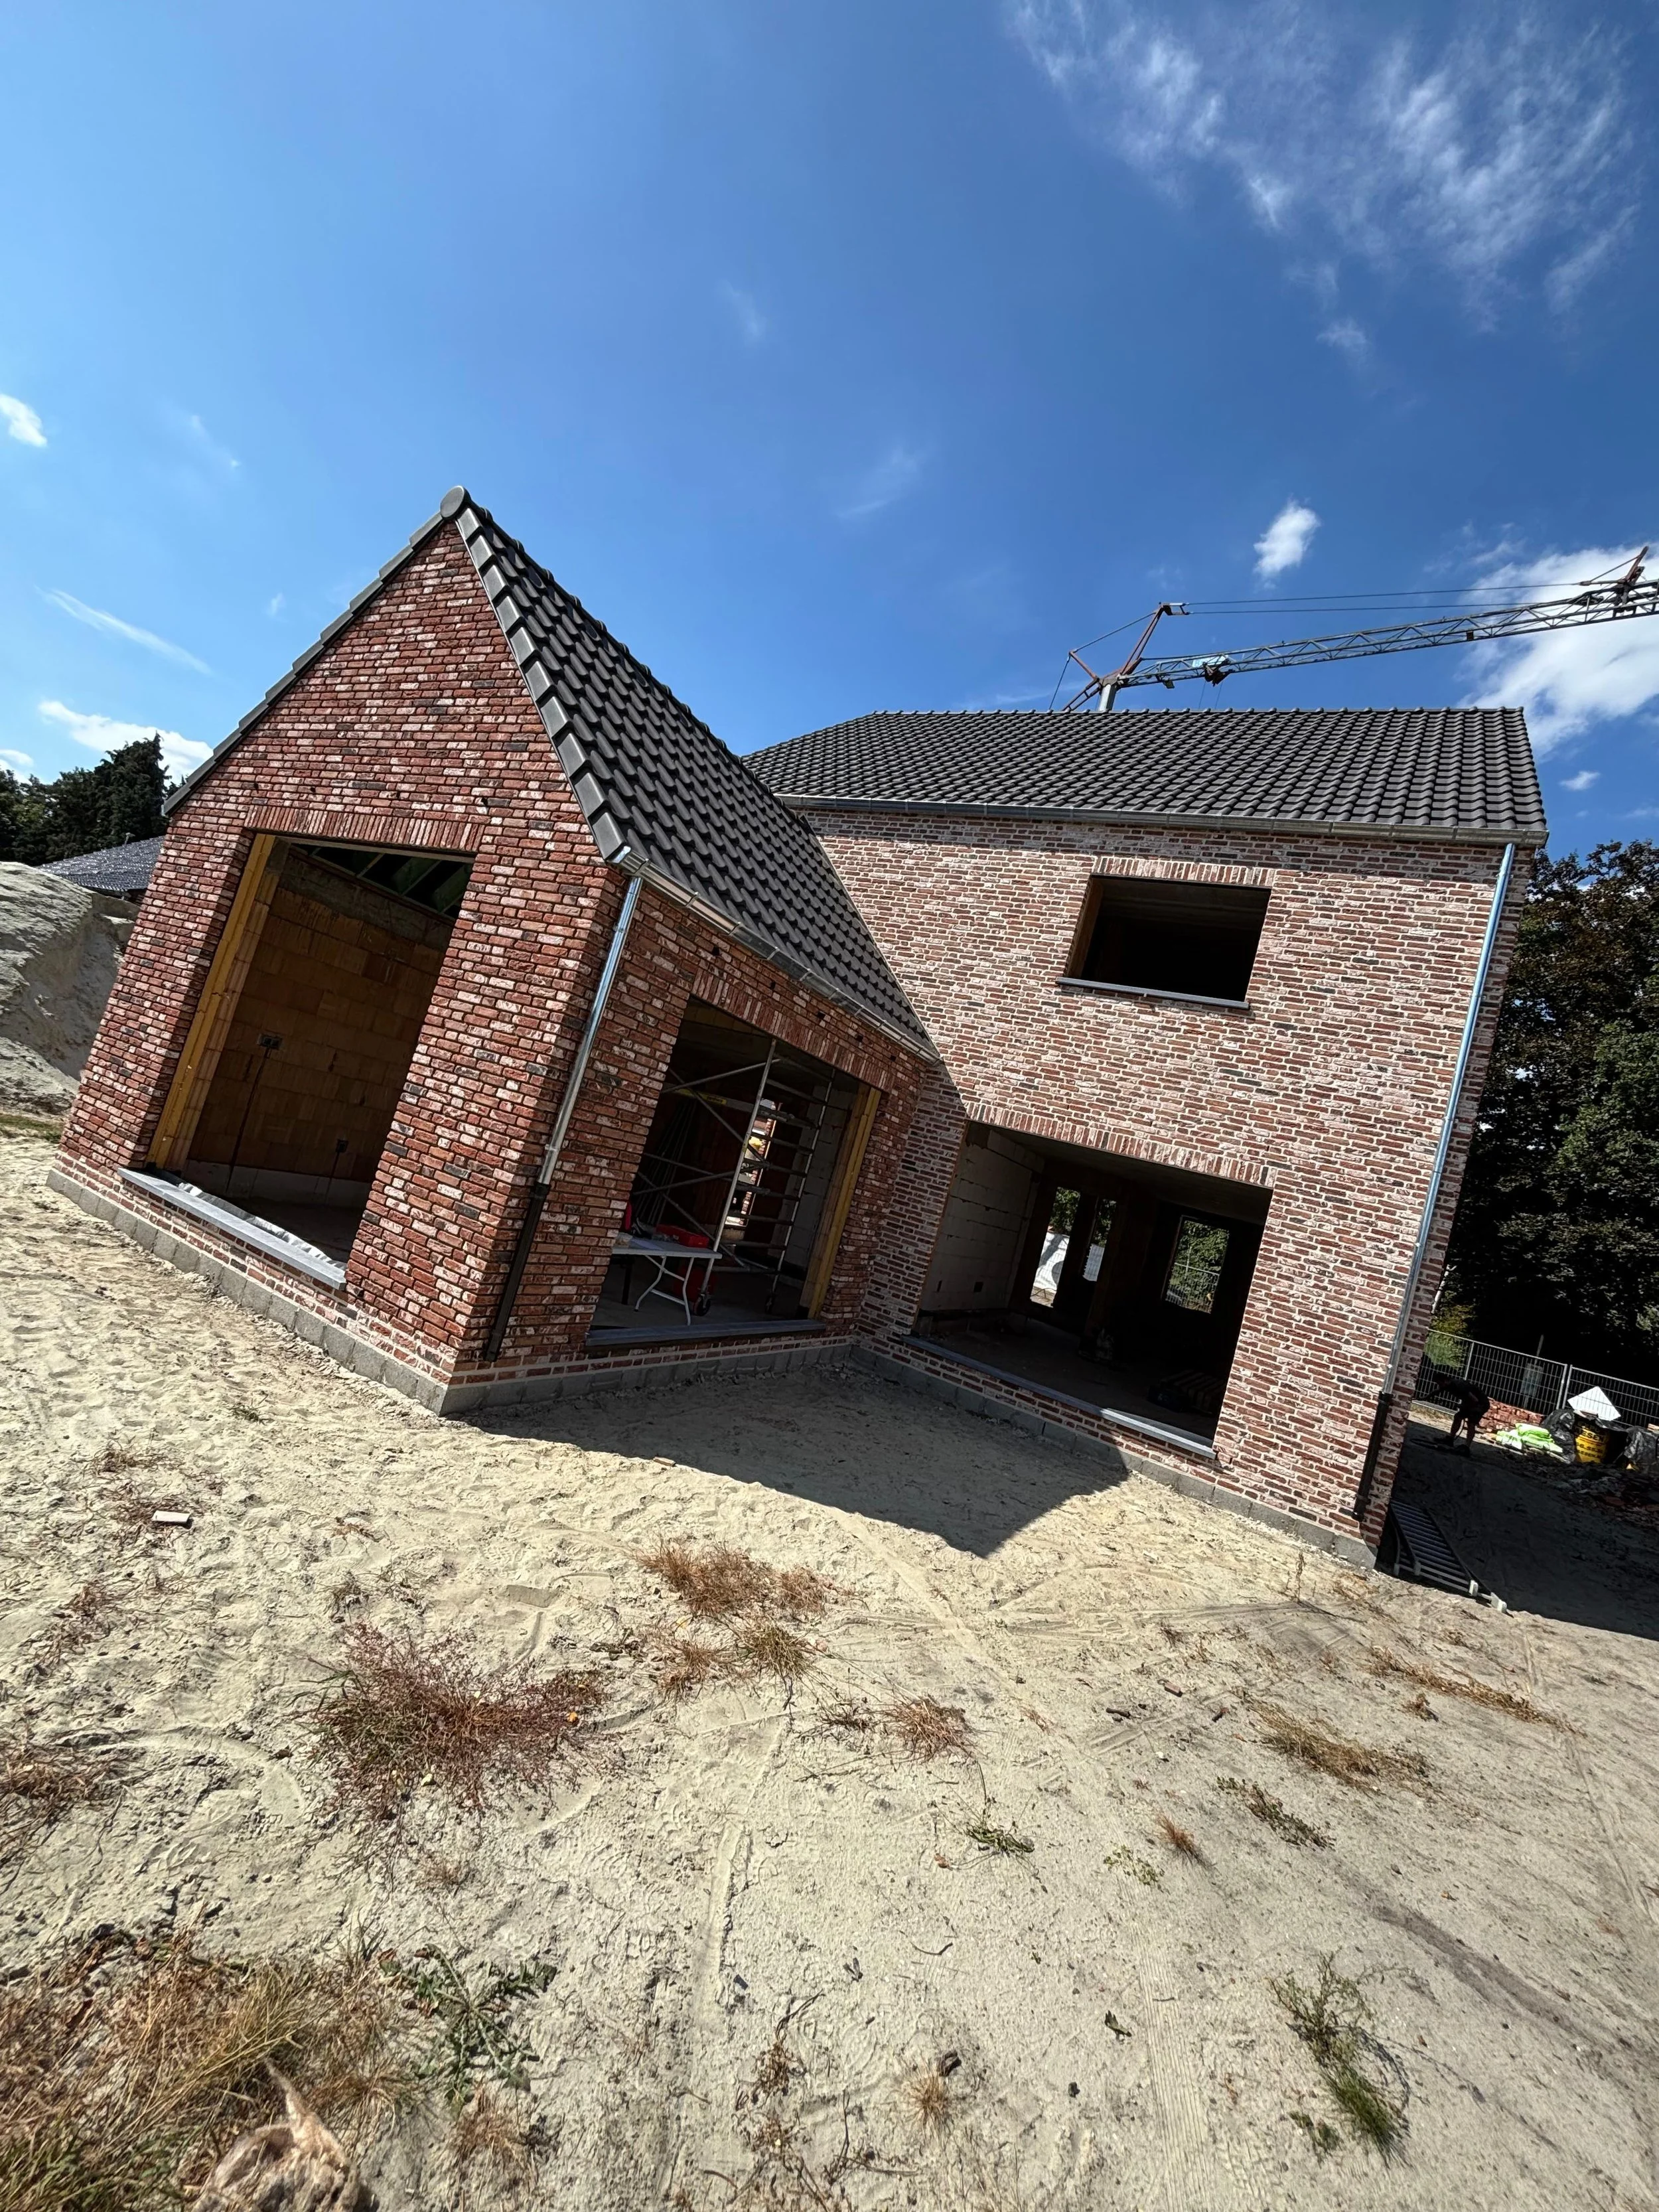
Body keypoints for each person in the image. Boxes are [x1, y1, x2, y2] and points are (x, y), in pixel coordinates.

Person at [1441, 1373, 1491, 1455]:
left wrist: (1463, 1406)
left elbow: (1475, 1400)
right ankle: (1450, 1439)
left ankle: (1466, 1447)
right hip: (1471, 1403)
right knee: (1458, 1417)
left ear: (1445, 1381)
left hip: (1481, 1404)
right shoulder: (1449, 1385)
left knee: (1471, 1423)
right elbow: (1437, 1391)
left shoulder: (1459, 1386)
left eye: (1440, 1383)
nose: (1440, 1386)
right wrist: (1425, 1398)